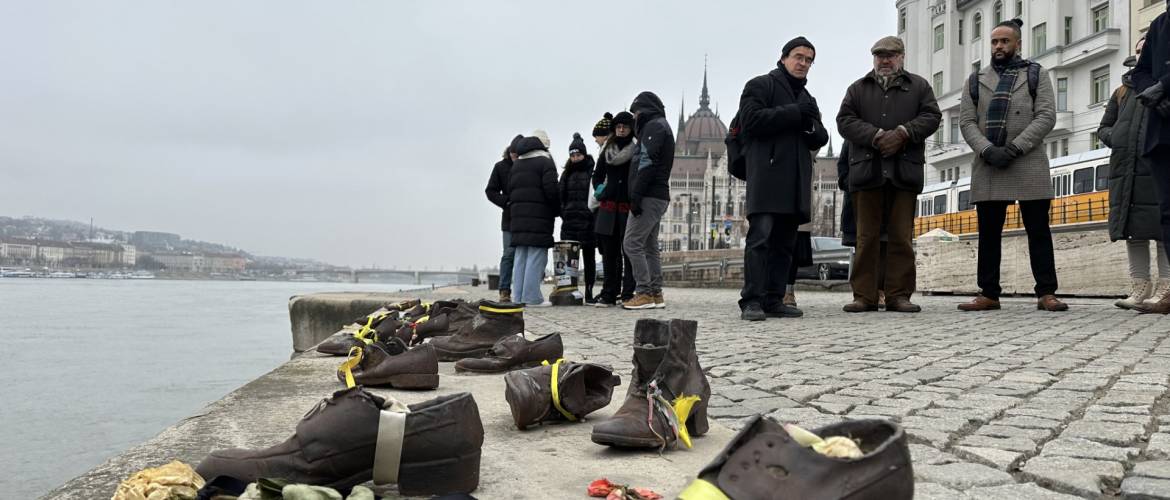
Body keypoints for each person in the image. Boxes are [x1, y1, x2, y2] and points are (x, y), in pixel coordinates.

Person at [958, 19, 1067, 312]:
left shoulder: (1035, 74)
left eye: (1005, 41)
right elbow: (966, 121)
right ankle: (988, 293)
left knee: (1038, 230)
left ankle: (1046, 293)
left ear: (1017, 44)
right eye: (994, 42)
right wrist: (987, 149)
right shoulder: (974, 80)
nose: (998, 47)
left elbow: (1046, 116)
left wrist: (1016, 147)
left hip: (1028, 160)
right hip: (989, 163)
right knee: (989, 234)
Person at [837, 35, 941, 313]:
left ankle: (899, 295)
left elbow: (932, 116)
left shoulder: (919, 86)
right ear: (873, 58)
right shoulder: (857, 89)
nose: (885, 60)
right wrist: (876, 136)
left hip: (903, 172)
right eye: (880, 55)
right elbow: (844, 121)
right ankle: (864, 296)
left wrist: (904, 133)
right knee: (866, 238)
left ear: (901, 57)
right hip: (867, 173)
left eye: (890, 55)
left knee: (901, 236)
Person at [736, 37, 829, 321]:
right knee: (760, 238)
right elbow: (750, 121)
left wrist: (809, 123)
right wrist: (795, 114)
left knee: (784, 243)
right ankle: (751, 300)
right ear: (784, 57)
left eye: (809, 60)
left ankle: (774, 298)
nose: (803, 64)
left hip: (795, 179)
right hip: (767, 174)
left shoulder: (807, 97)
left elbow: (821, 136)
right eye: (799, 57)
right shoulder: (760, 85)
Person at [1099, 37, 1170, 310]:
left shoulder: (1164, 86)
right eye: (1138, 51)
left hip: (1155, 165)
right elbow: (1104, 127)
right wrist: (1117, 137)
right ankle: (1139, 289)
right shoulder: (1121, 91)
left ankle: (1165, 288)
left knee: (1162, 231)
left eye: (1145, 50)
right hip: (1126, 168)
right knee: (1133, 231)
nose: (1141, 55)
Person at [1133, 2, 1170, 314]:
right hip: (1162, 132)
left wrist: (1164, 87)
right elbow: (1141, 71)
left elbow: (1159, 80)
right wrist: (1154, 97)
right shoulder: (1159, 23)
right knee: (1168, 214)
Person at [622, 92, 674, 310]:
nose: (634, 117)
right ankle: (655, 293)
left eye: (635, 113)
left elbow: (647, 163)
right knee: (649, 246)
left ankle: (644, 292)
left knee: (632, 243)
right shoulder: (662, 126)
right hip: (658, 195)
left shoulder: (654, 127)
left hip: (649, 195)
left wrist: (636, 195)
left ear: (642, 110)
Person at [507, 130, 560, 307]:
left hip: (518, 218)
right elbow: (552, 191)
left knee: (521, 257)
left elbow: (511, 191)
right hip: (539, 217)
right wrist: (558, 210)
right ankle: (532, 298)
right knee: (536, 257)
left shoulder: (517, 165)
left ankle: (518, 297)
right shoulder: (545, 162)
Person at [592, 111, 637, 307]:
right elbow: (597, 175)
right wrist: (601, 191)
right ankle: (609, 292)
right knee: (609, 254)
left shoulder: (635, 150)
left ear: (630, 129)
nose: (621, 130)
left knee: (628, 254)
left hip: (627, 209)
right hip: (608, 209)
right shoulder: (607, 151)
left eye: (625, 127)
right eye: (618, 126)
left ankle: (627, 293)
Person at [837, 142, 889, 307]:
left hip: (881, 196)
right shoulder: (851, 138)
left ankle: (880, 290)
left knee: (882, 246)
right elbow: (843, 166)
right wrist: (850, 182)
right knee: (862, 247)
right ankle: (862, 292)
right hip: (856, 197)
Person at [559, 133, 598, 303]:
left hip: (587, 222)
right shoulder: (566, 174)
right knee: (568, 261)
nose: (575, 158)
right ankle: (569, 292)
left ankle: (589, 291)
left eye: (578, 155)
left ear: (584, 154)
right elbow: (560, 196)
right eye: (572, 155)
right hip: (569, 222)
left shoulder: (592, 171)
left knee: (589, 259)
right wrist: (564, 212)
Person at [485, 135, 523, 302]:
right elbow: (490, 191)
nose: (515, 156)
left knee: (524, 255)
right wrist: (505, 201)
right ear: (509, 152)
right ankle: (504, 289)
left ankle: (522, 290)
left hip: (527, 216)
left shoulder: (527, 165)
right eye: (513, 153)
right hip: (508, 218)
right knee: (508, 254)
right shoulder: (500, 167)